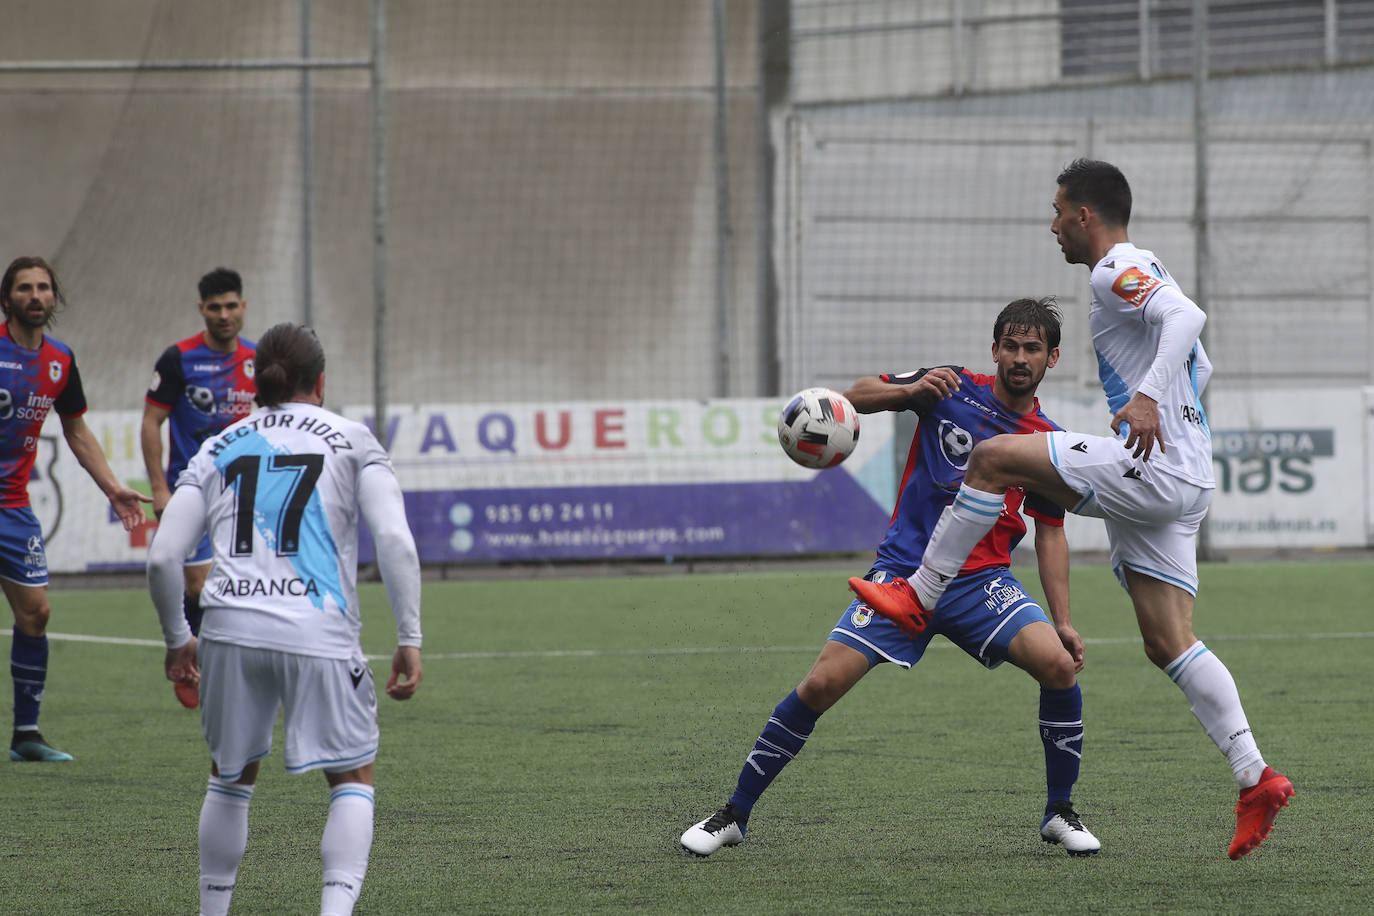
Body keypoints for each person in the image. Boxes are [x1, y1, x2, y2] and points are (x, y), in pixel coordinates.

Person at [849, 159, 1294, 860]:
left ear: (1084, 215)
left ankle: (917, 595)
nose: (1053, 224)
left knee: (992, 457)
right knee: (1168, 641)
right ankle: (1255, 778)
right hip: (1185, 476)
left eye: (1058, 211)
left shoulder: (1113, 269)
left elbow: (1188, 319)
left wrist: (1146, 399)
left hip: (1155, 467)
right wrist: (1173, 408)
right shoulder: (1143, 268)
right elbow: (1199, 362)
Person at [683, 298, 1102, 858]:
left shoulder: (1045, 442)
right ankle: (734, 814)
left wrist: (1064, 621)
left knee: (1058, 666)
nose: (1020, 357)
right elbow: (850, 397)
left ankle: (1059, 811)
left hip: (982, 583)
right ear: (994, 349)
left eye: (1032, 348)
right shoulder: (950, 387)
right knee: (820, 685)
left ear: (1053, 358)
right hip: (902, 574)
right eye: (1011, 346)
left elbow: (1051, 533)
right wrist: (910, 392)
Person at [147, 322, 423, 916]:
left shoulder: (218, 445)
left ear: (256, 380)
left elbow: (164, 556)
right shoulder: (353, 440)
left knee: (228, 779)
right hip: (319, 631)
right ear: (319, 381)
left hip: (229, 628)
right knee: (352, 778)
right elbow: (396, 540)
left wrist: (177, 639)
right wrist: (409, 635)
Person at [0, 255, 150, 762]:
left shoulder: (60, 361)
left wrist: (113, 488)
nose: (35, 296)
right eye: (24, 288)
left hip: (13, 507)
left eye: (43, 287)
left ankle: (26, 735)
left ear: (54, 297)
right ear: (7, 299)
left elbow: (77, 430)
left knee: (36, 612)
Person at [141, 267, 257, 708]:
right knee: (198, 585)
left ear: (243, 306)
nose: (223, 315)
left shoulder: (259, 360)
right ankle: (197, 662)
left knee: (241, 582)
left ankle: (224, 666)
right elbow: (151, 422)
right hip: (191, 489)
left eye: (230, 306)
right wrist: (159, 488)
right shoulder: (178, 359)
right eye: (214, 307)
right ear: (201, 309)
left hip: (244, 492)